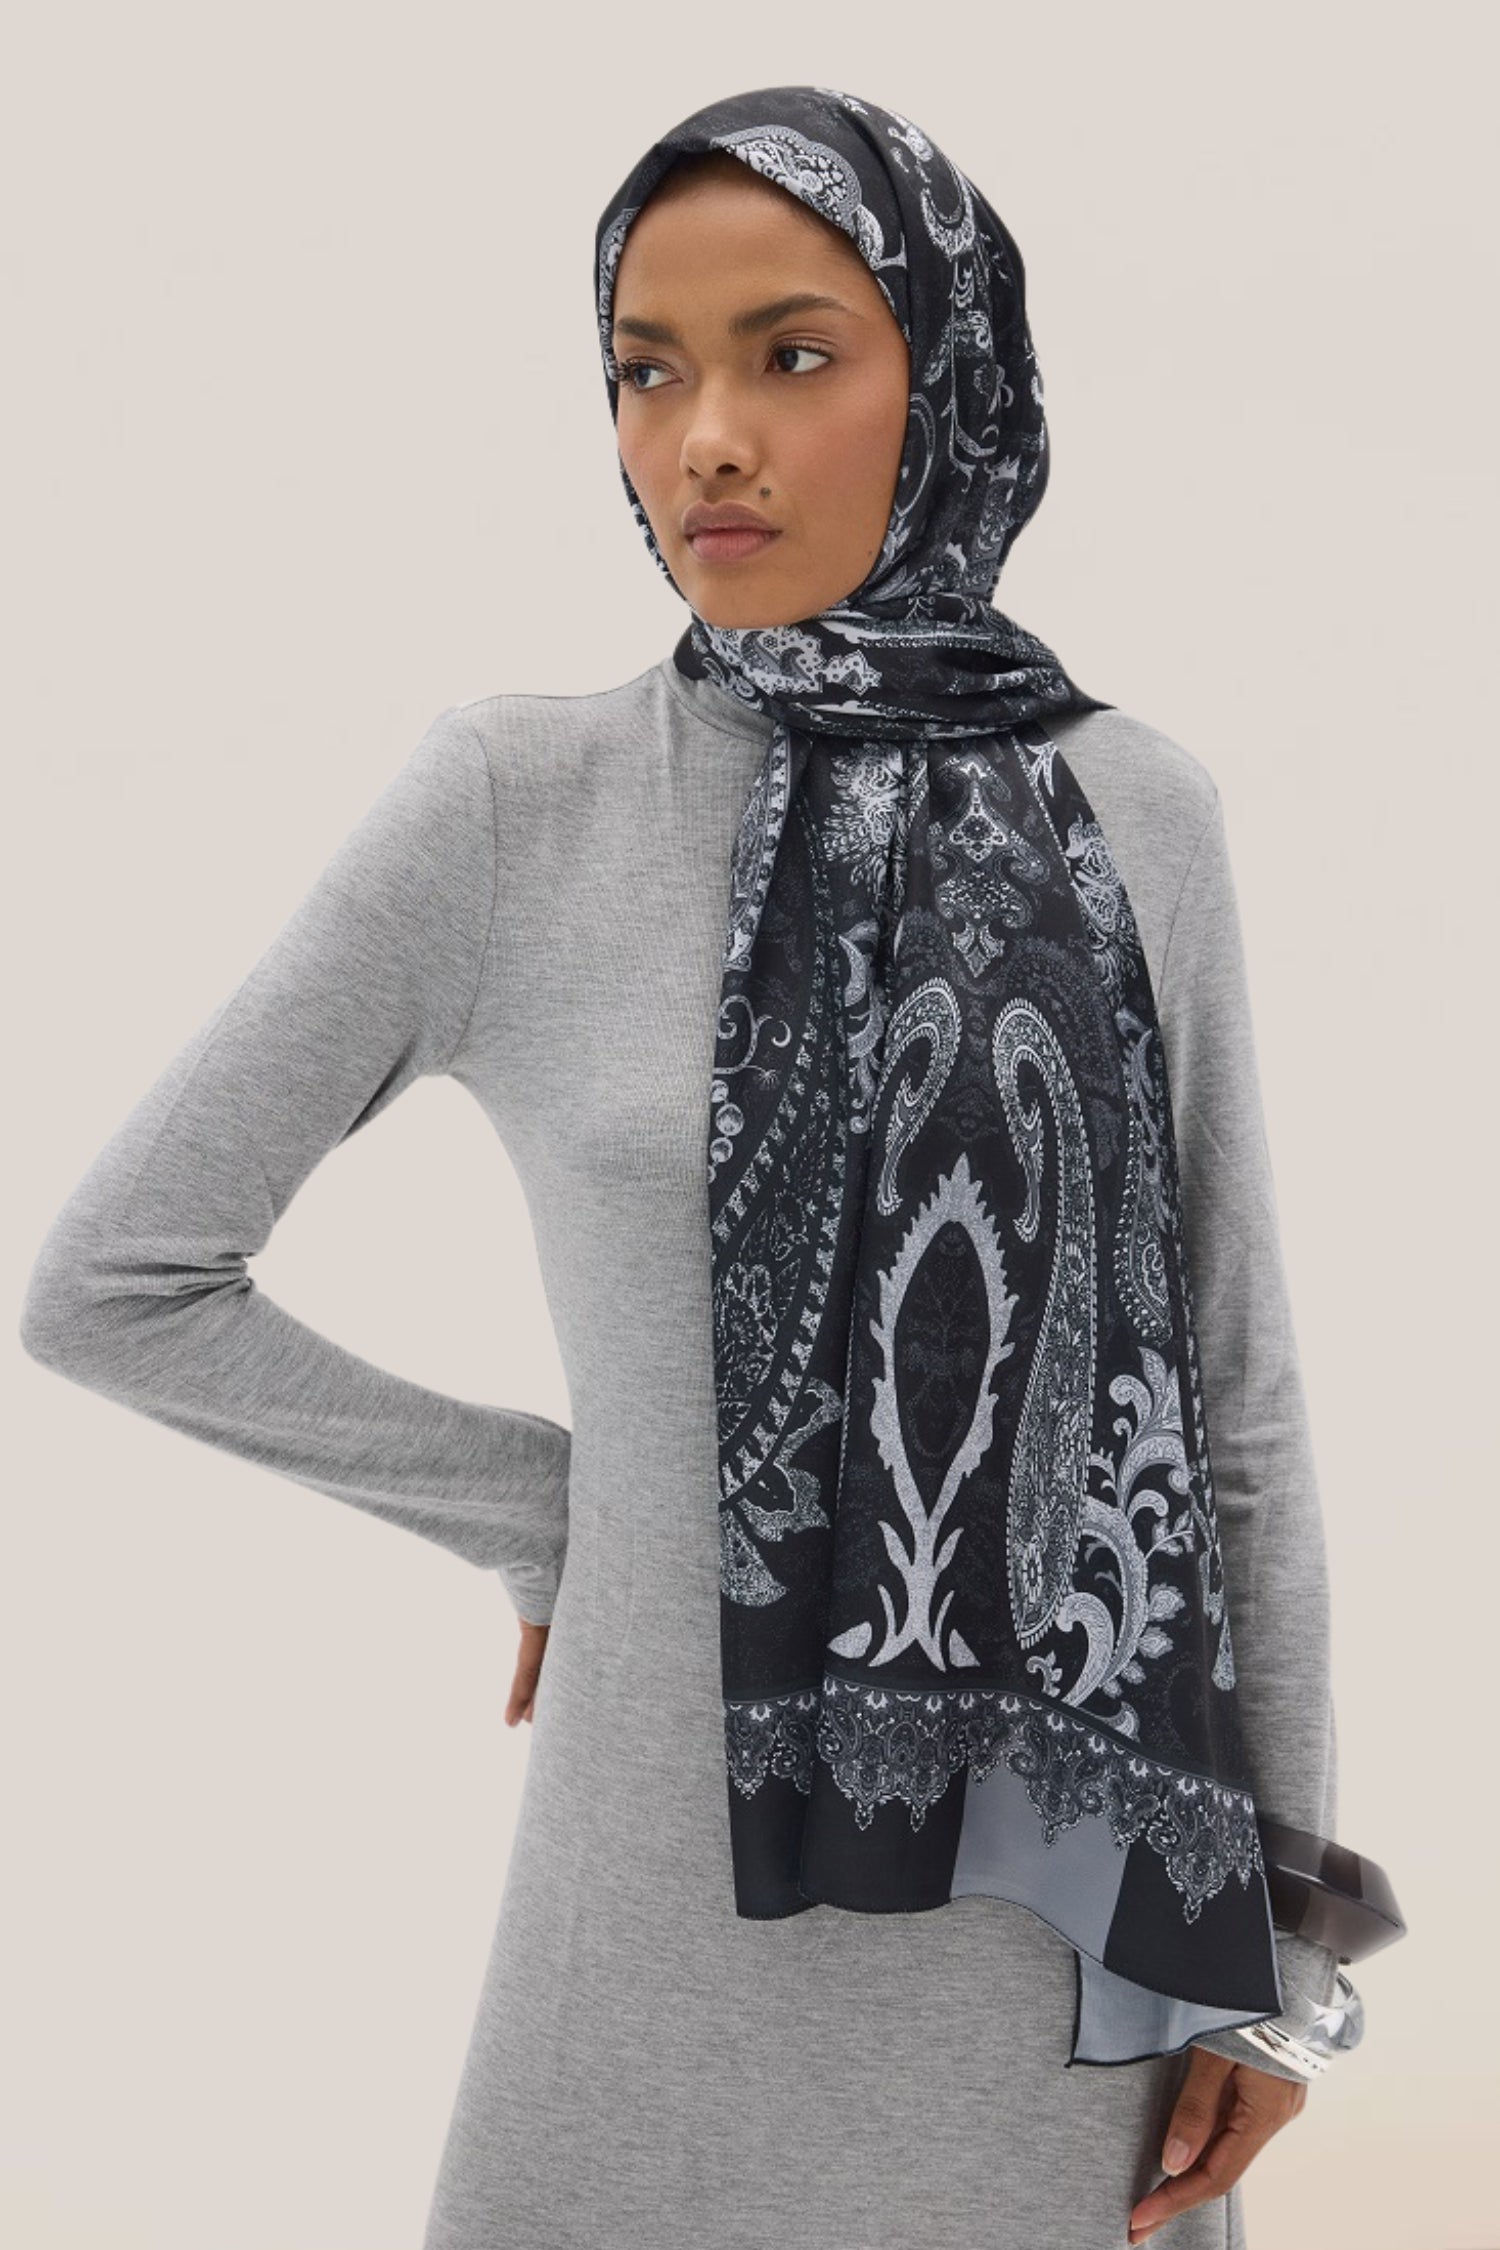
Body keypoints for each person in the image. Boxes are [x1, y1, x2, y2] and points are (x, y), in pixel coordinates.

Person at [19, 85, 1349, 2250]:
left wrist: (1277, 1948)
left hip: (1060, 1962)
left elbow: (1235, 1405)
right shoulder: (513, 804)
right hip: (638, 1942)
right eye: (648, 370)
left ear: (954, 380)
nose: (706, 439)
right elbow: (117, 1279)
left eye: (792, 355)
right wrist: (557, 1507)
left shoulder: (1139, 813)